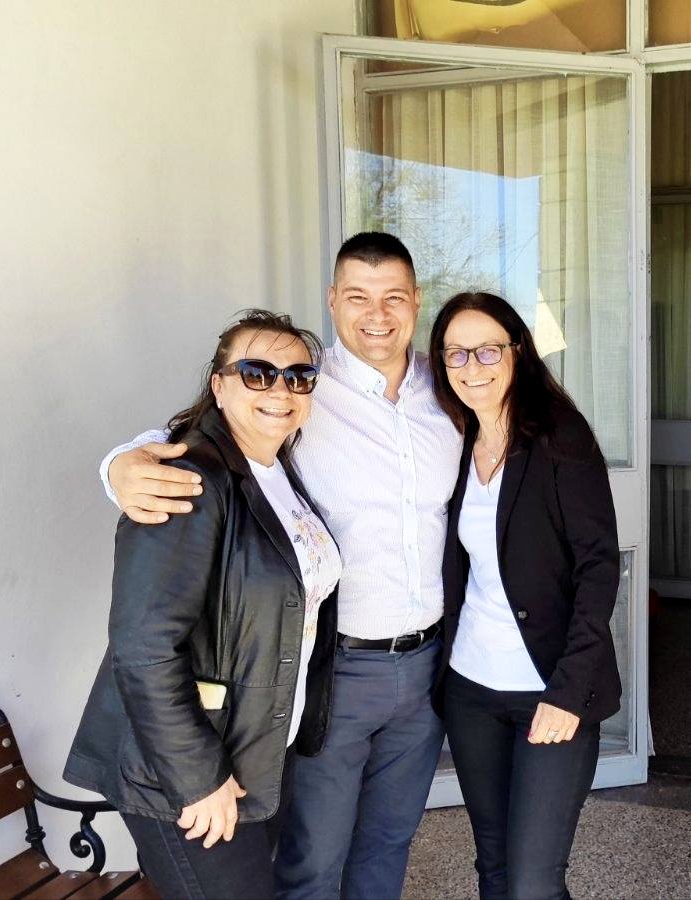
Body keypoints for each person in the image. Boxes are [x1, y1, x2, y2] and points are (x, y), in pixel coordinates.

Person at [99, 233, 461, 900]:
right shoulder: (302, 384)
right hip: (334, 671)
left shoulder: (449, 391)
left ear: (416, 302)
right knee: (315, 855)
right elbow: (202, 437)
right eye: (358, 296)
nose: (376, 315)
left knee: (388, 840)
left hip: (426, 667)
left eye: (393, 297)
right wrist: (121, 463)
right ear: (333, 300)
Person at [64, 311, 340, 899]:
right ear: (218, 384)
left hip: (254, 750)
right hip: (187, 772)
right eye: (257, 373)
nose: (281, 390)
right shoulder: (187, 479)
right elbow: (143, 646)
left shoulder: (275, 472)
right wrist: (198, 779)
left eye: (298, 376)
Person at [429, 292, 621, 900]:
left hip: (550, 688)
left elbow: (598, 568)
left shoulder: (559, 435)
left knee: (534, 882)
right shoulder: (454, 440)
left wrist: (568, 690)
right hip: (470, 689)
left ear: (518, 352)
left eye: (488, 350)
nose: (472, 366)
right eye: (456, 353)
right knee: (494, 867)